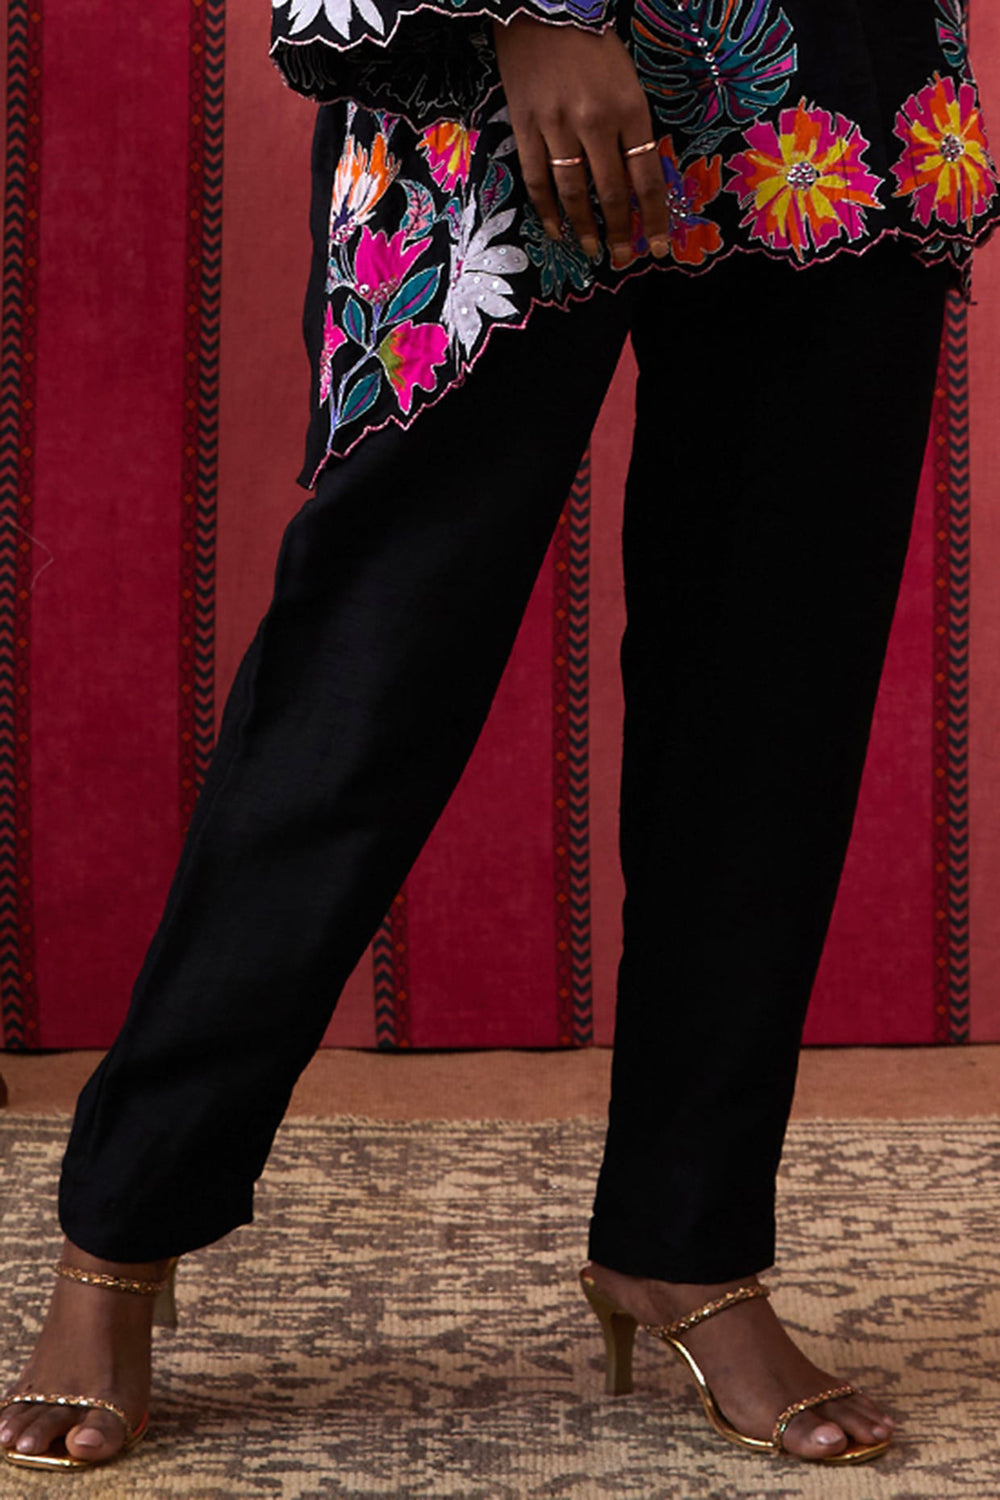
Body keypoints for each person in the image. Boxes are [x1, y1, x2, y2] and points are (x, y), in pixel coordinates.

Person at [2, 0, 997, 1472]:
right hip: (486, 70)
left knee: (772, 688)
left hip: (835, 76)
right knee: (369, 677)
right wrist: (531, 13)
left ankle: (687, 1240)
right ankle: (120, 1229)